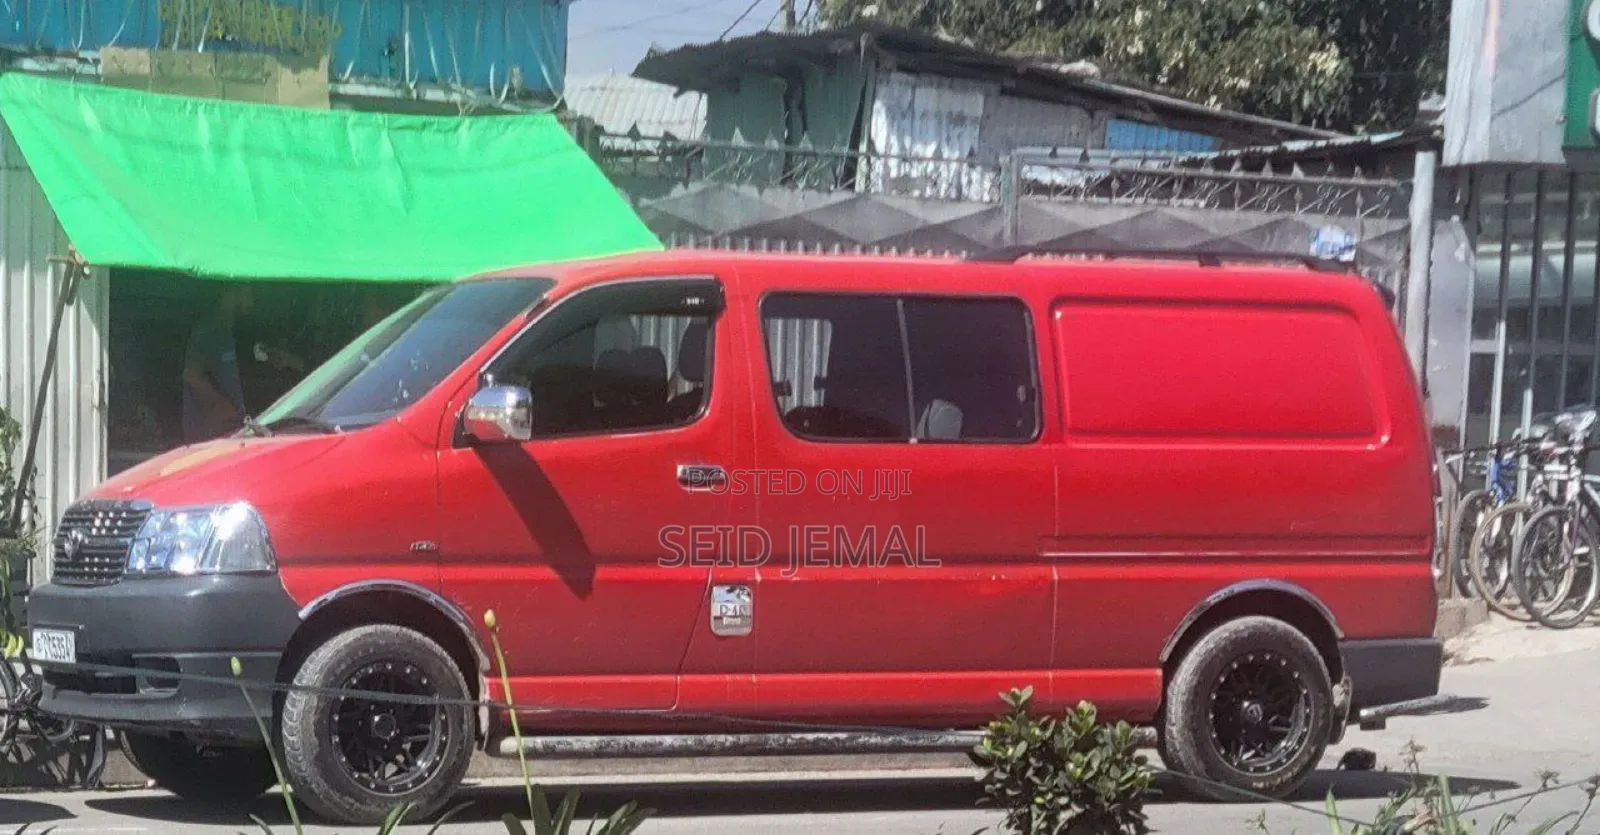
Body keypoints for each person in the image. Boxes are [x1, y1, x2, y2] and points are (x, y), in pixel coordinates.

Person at [182, 285, 253, 444]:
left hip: (230, 432)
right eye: (247, 291)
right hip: (208, 436)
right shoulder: (208, 331)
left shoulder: (228, 332)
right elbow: (192, 375)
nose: (251, 299)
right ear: (231, 294)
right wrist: (223, 405)